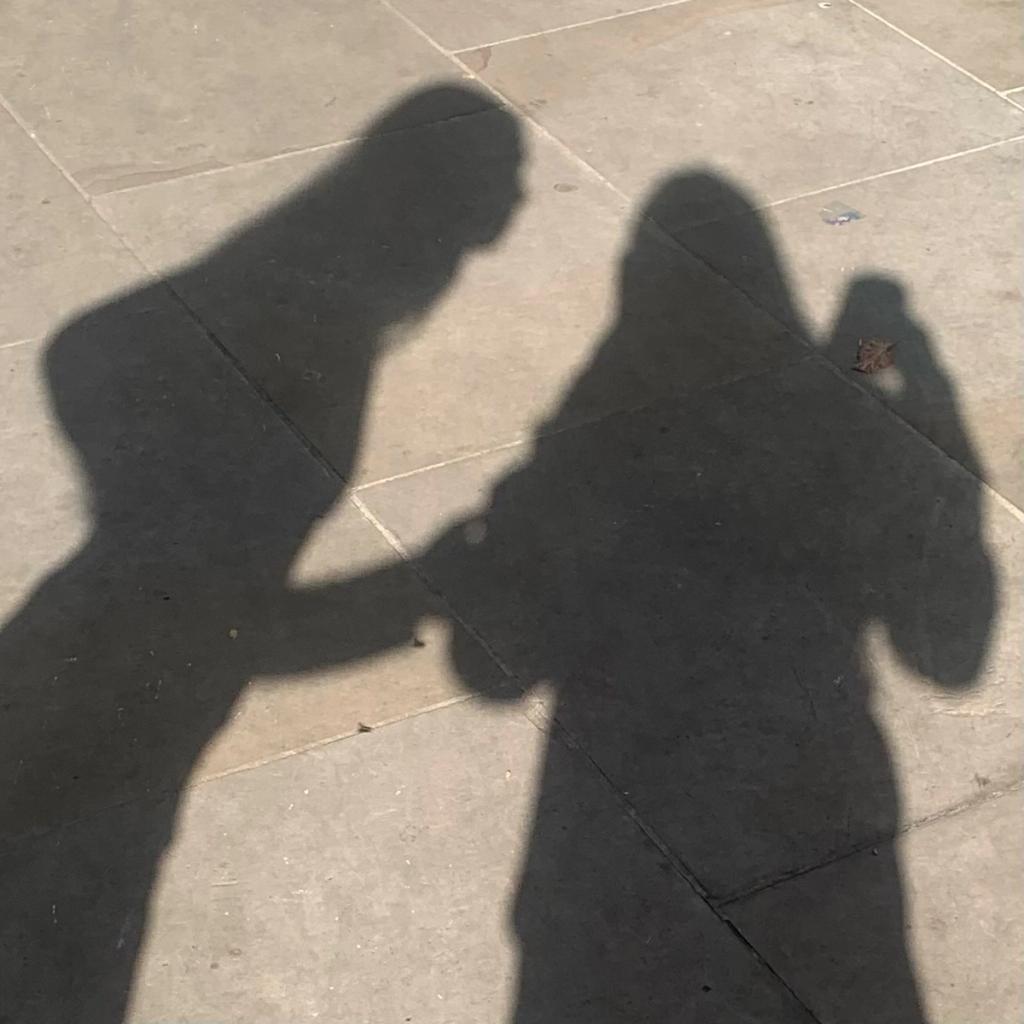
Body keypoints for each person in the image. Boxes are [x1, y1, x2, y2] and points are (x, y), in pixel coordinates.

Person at [0, 85, 523, 1021]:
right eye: (506, 180)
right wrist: (419, 593)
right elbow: (226, 622)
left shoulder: (100, 344)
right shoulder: (295, 345)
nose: (517, 203)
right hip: (105, 713)